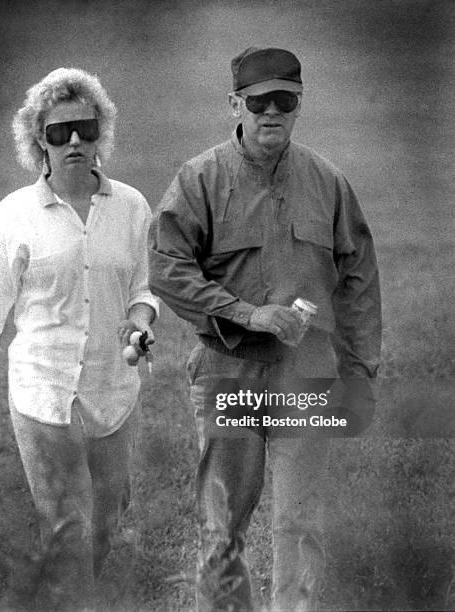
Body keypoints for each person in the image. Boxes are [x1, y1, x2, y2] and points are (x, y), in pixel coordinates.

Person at [148, 47, 381, 611]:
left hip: (309, 376)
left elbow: (358, 281)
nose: (271, 111)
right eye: (259, 101)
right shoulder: (199, 178)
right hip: (230, 372)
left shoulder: (328, 182)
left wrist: (359, 375)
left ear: (299, 105)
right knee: (222, 526)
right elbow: (166, 268)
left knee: (302, 524)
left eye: (285, 100)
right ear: (235, 103)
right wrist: (246, 312)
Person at [0, 67, 158, 608]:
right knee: (66, 524)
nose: (75, 141)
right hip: (42, 391)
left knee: (107, 521)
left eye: (85, 128)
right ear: (40, 139)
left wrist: (142, 322)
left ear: (100, 130)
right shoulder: (13, 214)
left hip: (113, 386)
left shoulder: (132, 207)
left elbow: (143, 288)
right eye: (60, 132)